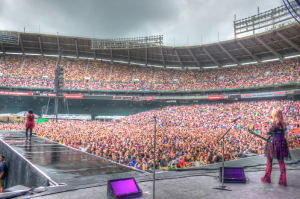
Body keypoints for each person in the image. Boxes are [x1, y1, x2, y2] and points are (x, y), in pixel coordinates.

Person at [261, 109, 291, 186]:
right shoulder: (284, 123)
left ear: (274, 115)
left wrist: (261, 129)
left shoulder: (275, 123)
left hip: (274, 142)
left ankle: (267, 178)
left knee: (269, 161)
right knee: (281, 162)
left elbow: (268, 132)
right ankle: (283, 180)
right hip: (282, 142)